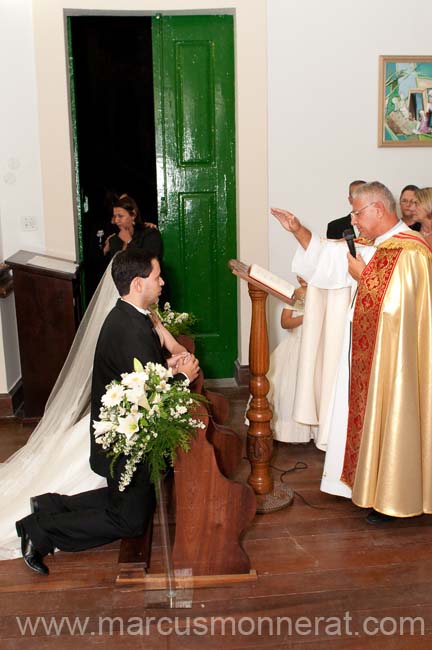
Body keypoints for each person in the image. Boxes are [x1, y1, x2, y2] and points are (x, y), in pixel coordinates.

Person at [14, 249, 199, 575]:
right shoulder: (129, 329)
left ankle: (50, 506)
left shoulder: (129, 318)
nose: (162, 282)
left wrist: (169, 366)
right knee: (129, 520)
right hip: (124, 439)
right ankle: (39, 531)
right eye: (157, 278)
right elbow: (147, 399)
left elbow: (140, 373)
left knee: (129, 503)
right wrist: (184, 377)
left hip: (125, 431)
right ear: (139, 284)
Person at [272, 181, 432, 524]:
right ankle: (367, 485)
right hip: (366, 352)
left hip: (395, 361)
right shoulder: (377, 244)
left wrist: (366, 277)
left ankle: (393, 495)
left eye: (358, 212)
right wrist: (298, 230)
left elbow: (404, 309)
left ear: (378, 208)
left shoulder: (413, 251)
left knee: (392, 415)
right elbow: (327, 259)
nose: (354, 220)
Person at [267, 278, 318, 443]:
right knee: (288, 385)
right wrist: (306, 317)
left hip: (316, 347)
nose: (301, 278)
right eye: (299, 275)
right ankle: (289, 431)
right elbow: (285, 322)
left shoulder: (323, 291)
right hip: (295, 346)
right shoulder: (295, 294)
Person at [103, 194, 163, 261]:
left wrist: (129, 242)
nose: (116, 220)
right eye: (115, 216)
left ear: (133, 215)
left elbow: (149, 264)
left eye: (120, 216)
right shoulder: (114, 239)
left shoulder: (149, 234)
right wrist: (105, 251)